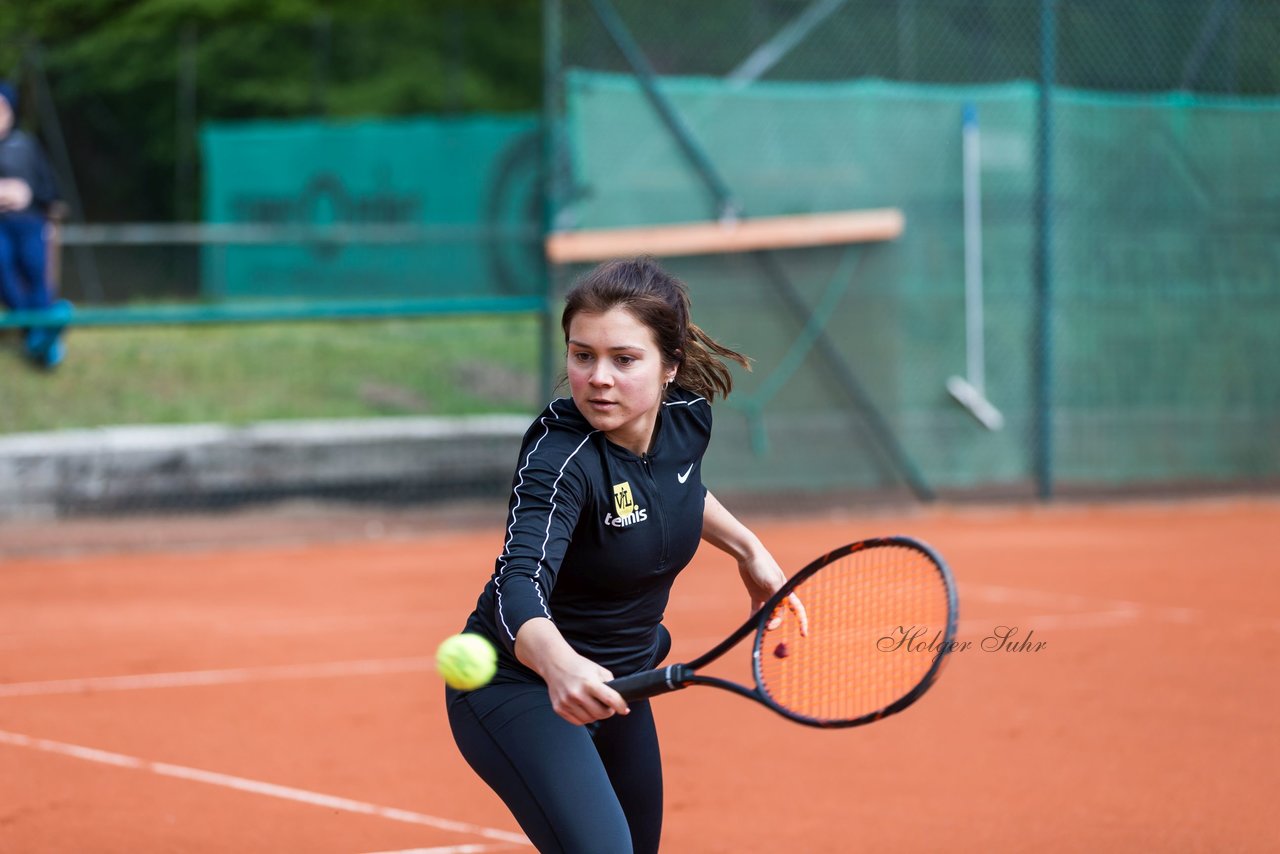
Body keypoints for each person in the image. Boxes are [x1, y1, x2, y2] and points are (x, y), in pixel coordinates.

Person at [446, 256, 803, 853]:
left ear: (670, 368)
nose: (598, 378)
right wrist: (560, 668)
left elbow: (674, 486)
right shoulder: (560, 458)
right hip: (523, 684)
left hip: (622, 681)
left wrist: (749, 549)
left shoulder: (687, 420)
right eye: (582, 355)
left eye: (624, 359)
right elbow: (518, 585)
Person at [0, 80, 69, 369]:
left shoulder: (25, 146)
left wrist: (26, 194)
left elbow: (50, 192)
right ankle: (39, 330)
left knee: (35, 268)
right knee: (3, 269)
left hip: (29, 221)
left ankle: (42, 335)